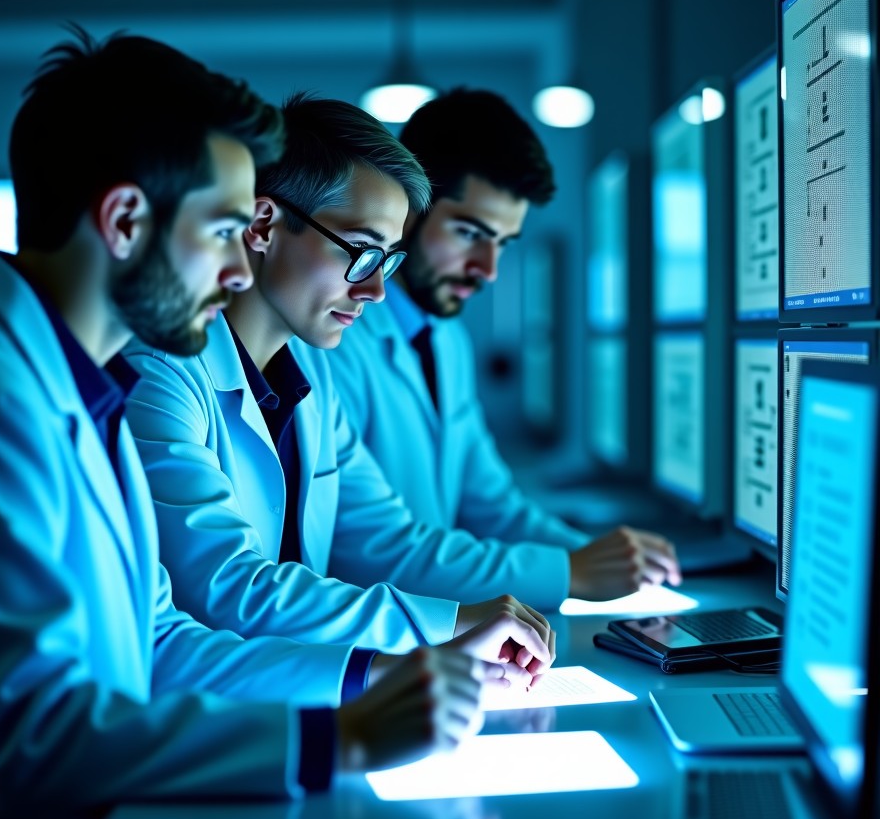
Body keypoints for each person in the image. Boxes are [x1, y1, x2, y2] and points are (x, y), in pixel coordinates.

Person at [0, 36, 554, 819]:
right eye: (225, 230)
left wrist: (374, 679)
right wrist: (341, 739)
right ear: (124, 222)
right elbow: (25, 739)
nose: (236, 270)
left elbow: (160, 645)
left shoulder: (75, 382)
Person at [124, 92, 590, 656]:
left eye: (388, 260)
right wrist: (451, 624)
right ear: (265, 224)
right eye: (362, 252)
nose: (375, 290)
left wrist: (459, 623)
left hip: (303, 682)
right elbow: (228, 588)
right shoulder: (161, 374)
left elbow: (379, 534)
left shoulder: (312, 376)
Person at [328, 88, 682, 602]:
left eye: (502, 243)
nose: (487, 270)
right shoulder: (335, 337)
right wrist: (571, 572)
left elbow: (492, 507)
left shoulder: (446, 340)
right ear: (409, 209)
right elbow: (372, 550)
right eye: (470, 233)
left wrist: (601, 559)